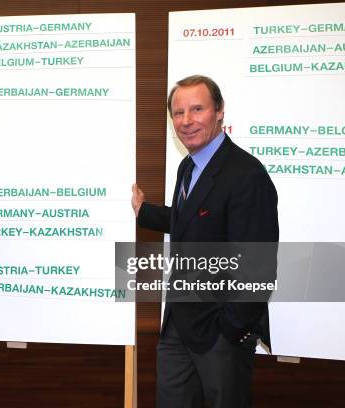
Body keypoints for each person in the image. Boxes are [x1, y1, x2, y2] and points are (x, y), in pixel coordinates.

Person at [131, 75, 279, 408]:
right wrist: (145, 213)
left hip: (219, 333)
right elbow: (197, 221)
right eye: (178, 112)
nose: (186, 121)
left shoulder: (246, 174)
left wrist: (231, 329)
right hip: (177, 327)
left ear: (220, 112)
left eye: (197, 109)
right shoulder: (188, 166)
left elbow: (260, 266)